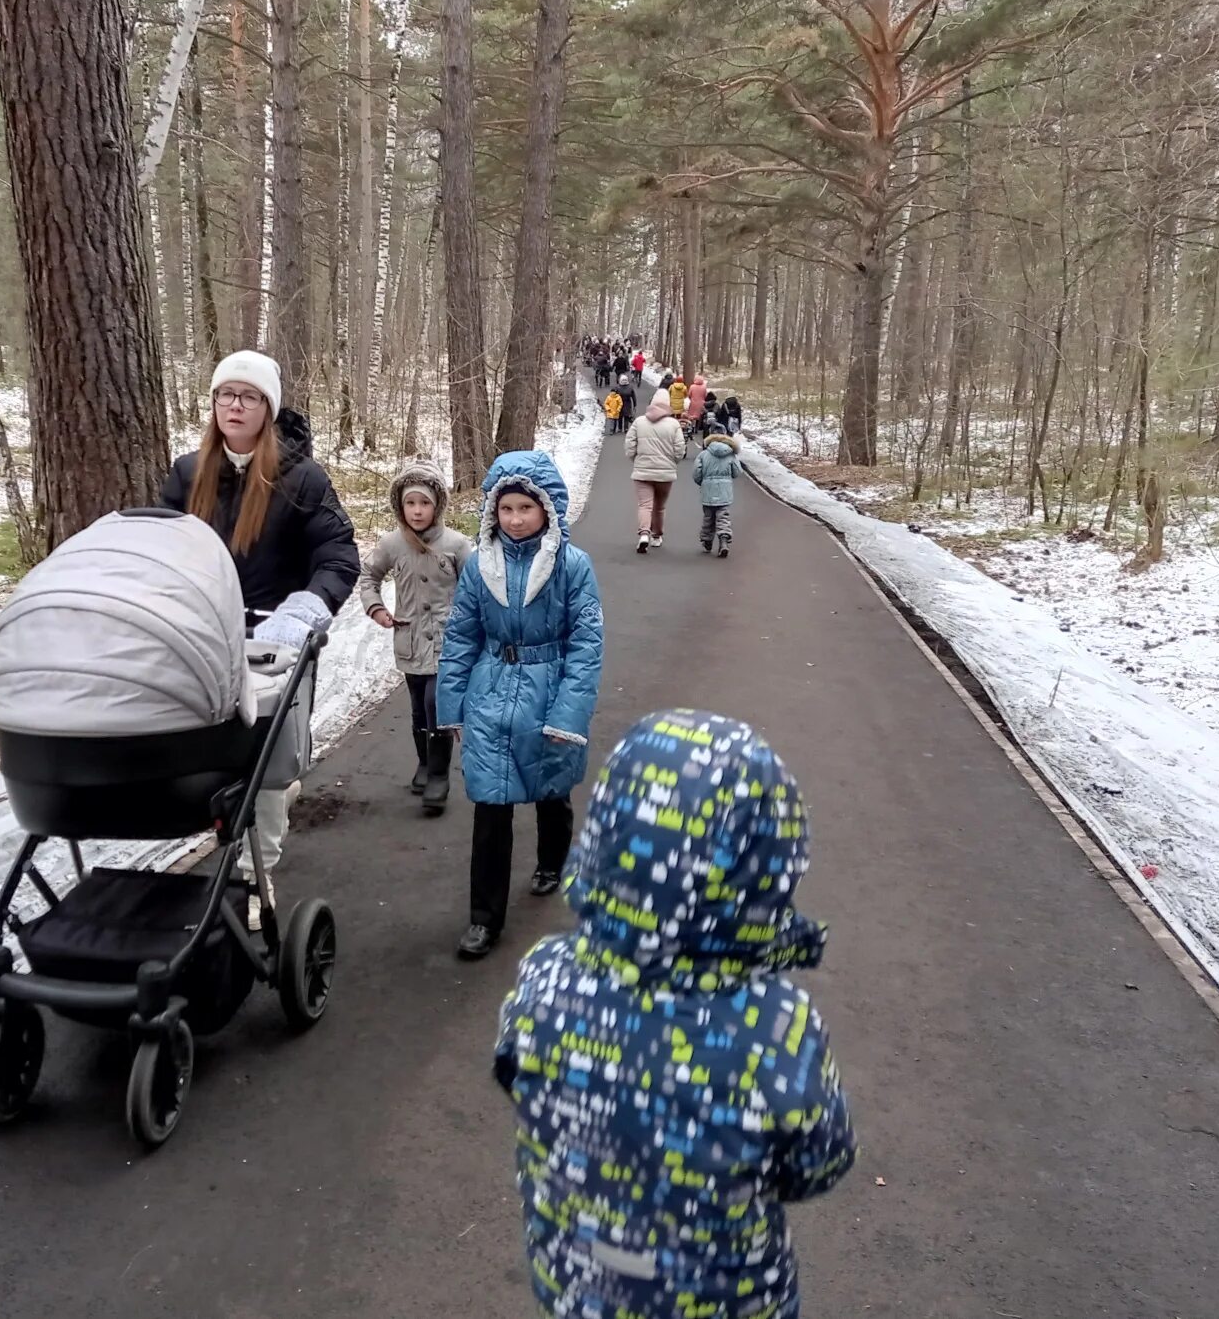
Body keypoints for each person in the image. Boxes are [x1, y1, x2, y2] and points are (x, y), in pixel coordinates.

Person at [494, 711, 857, 1319]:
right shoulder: (775, 1030)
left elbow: (517, 1076)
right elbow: (820, 1162)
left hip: (580, 1290)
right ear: (768, 866)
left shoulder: (545, 978)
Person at [159, 350, 360, 920]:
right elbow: (164, 547)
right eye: (226, 395)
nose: (235, 406)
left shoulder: (300, 478)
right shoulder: (188, 473)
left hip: (276, 643)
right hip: (204, 639)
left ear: (268, 409)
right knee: (211, 754)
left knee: (265, 766)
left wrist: (305, 609)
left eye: (248, 397)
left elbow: (337, 555)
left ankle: (255, 877)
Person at [436, 452, 603, 961]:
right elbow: (461, 635)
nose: (514, 519)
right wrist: (454, 705)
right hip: (490, 693)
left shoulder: (572, 566)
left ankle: (552, 860)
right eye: (505, 508)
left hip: (548, 693)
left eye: (524, 508)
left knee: (550, 792)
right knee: (490, 807)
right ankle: (484, 918)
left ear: (546, 509)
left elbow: (586, 644)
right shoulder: (480, 565)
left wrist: (566, 716)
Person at [357, 456, 472, 814]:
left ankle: (439, 775)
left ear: (437, 505)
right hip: (408, 638)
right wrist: (375, 607)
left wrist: (469, 627)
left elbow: (476, 589)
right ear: (400, 505)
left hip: (446, 641)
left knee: (437, 704)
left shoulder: (456, 544)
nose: (418, 510)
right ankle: (424, 763)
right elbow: (368, 577)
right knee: (418, 708)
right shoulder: (392, 544)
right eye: (410, 502)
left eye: (425, 502)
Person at [624, 387, 686, 553]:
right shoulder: (674, 424)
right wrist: (673, 462)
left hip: (642, 472)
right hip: (665, 474)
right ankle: (656, 536)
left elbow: (629, 445)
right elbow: (680, 449)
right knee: (659, 507)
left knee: (645, 505)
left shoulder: (639, 422)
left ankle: (644, 533)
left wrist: (636, 459)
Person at [694, 425, 744, 558]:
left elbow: (696, 474)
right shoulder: (730, 454)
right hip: (724, 491)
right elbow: (737, 472)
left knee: (708, 517)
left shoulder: (703, 454)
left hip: (708, 490)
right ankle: (723, 541)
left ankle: (707, 541)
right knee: (723, 516)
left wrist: (703, 482)